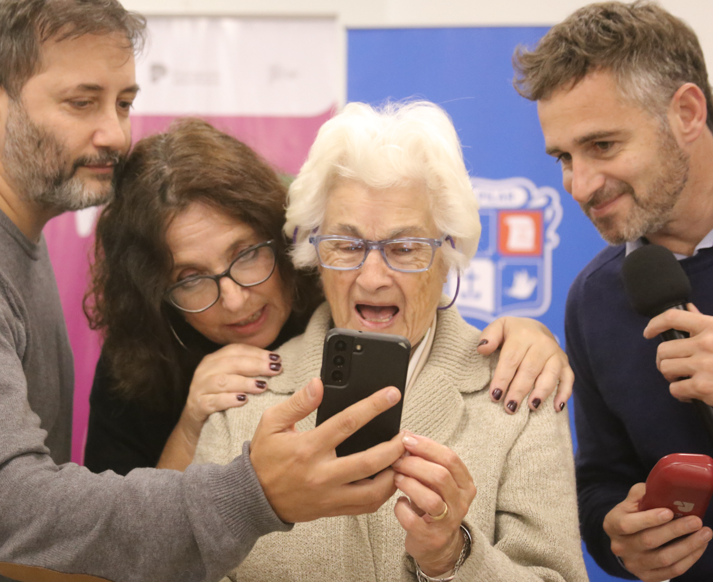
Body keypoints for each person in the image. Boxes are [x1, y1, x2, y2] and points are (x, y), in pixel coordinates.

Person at [0, 0, 413, 580]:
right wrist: (253, 492)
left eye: (124, 103)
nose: (114, 133)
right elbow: (10, 514)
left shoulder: (2, 234)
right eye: (82, 103)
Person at [190, 101, 588, 582]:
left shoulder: (519, 389)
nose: (373, 276)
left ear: (450, 253)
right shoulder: (243, 396)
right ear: (313, 251)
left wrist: (453, 559)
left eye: (404, 248)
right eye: (347, 244)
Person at [84, 117, 575, 476]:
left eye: (247, 256)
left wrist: (529, 333)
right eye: (190, 279)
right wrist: (193, 424)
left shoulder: (339, 280)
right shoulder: (138, 359)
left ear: (286, 243)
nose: (234, 300)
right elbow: (133, 548)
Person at [513, 0, 713, 582]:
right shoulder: (593, 298)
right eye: (564, 157)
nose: (579, 185)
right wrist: (618, 537)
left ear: (687, 112)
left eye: (603, 146)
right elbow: (599, 480)